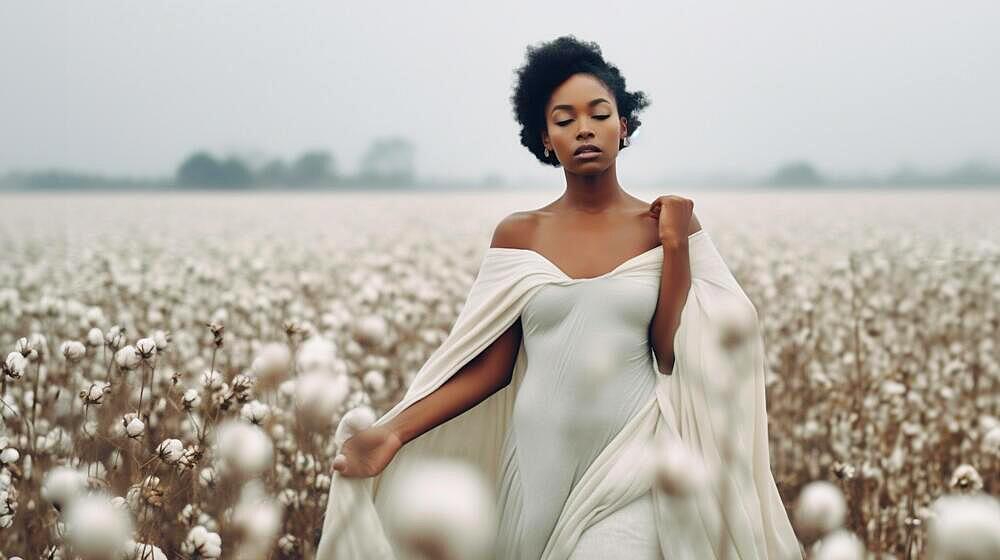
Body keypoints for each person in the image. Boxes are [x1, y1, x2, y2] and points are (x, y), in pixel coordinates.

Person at [316, 35, 802, 560]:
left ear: (625, 127)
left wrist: (675, 246)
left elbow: (670, 353)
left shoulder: (667, 226)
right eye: (564, 120)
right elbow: (489, 369)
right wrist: (392, 433)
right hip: (536, 466)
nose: (584, 129)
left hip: (632, 458)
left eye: (599, 114)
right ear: (545, 139)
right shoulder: (518, 234)